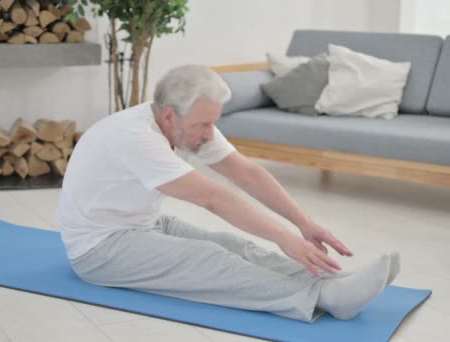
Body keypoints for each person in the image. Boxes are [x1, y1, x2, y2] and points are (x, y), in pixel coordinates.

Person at [57, 65, 399, 323]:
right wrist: (284, 237)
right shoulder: (135, 138)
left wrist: (303, 224)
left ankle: (332, 279)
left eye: (212, 123)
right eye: (203, 125)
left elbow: (246, 172)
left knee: (234, 245)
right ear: (168, 115)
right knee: (208, 259)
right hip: (99, 248)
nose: (209, 134)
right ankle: (324, 297)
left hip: (141, 224)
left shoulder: (183, 122)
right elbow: (212, 198)